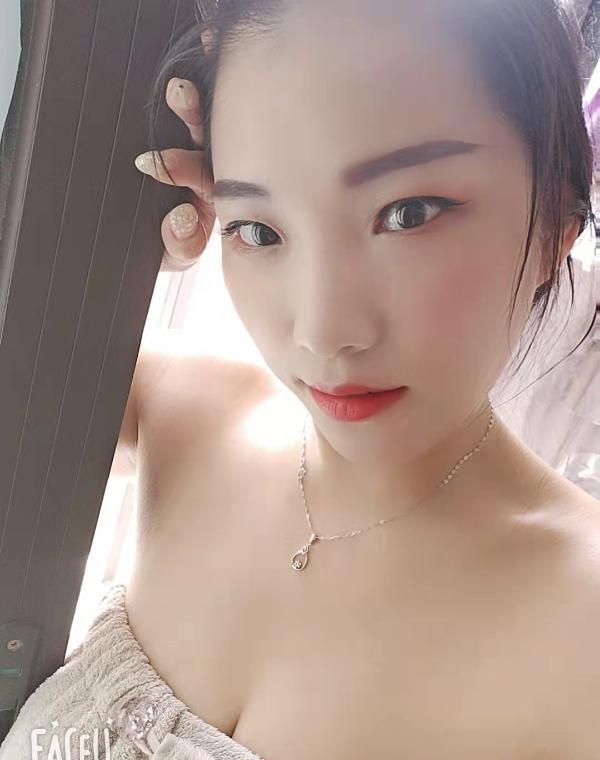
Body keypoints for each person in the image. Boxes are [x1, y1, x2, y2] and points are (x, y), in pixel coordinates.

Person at [2, 0, 600, 758]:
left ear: (555, 224)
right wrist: (107, 248)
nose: (323, 331)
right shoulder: (182, 416)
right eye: (258, 230)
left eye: (408, 213)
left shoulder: (583, 636)